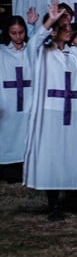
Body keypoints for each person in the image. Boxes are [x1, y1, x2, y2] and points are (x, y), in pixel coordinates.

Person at [23, 0, 77, 222]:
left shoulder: (75, 54)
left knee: (74, 154)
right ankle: (54, 203)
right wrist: (50, 19)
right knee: (52, 156)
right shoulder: (41, 52)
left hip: (74, 111)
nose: (70, 30)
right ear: (56, 30)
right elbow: (37, 39)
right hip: (51, 112)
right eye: (66, 27)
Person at [0, 12, 37, 184]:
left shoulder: (31, 50)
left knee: (26, 133)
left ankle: (27, 166)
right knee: (8, 133)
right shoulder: (2, 53)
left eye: (21, 32)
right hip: (8, 100)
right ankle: (8, 168)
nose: (17, 37)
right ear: (7, 32)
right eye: (13, 33)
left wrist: (32, 25)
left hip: (28, 100)